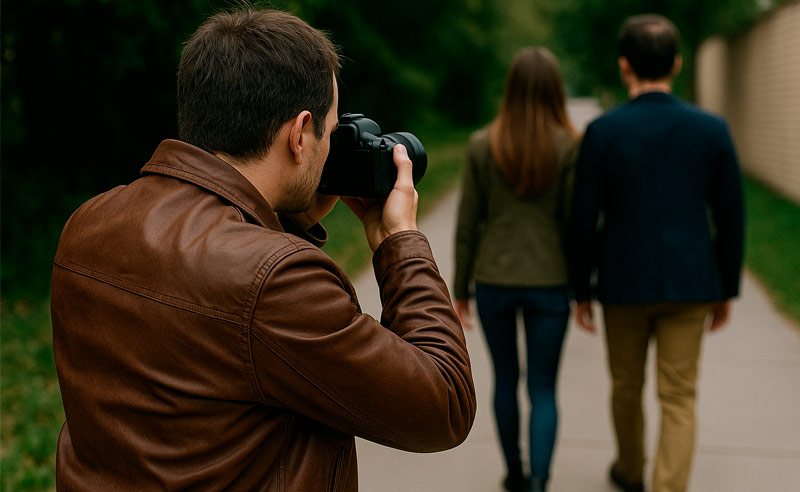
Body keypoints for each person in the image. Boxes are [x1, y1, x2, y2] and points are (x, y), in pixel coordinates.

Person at [50, 7, 476, 491]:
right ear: (300, 134)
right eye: (330, 130)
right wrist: (397, 241)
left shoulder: (90, 223)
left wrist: (287, 221)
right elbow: (444, 405)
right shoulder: (275, 281)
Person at [567, 14, 744, 492]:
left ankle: (630, 470)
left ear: (625, 66)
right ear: (677, 64)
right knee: (679, 396)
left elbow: (583, 217)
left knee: (626, 387)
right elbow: (731, 216)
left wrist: (581, 288)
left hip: (623, 283)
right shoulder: (712, 130)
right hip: (691, 282)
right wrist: (726, 285)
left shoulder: (603, 132)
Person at [453, 47, 579, 492]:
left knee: (506, 380)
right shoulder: (569, 146)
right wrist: (582, 286)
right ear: (555, 91)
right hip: (550, 280)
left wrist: (460, 286)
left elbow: (468, 223)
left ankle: (514, 473)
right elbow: (575, 224)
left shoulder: (482, 143)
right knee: (543, 388)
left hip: (494, 280)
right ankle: (540, 482)